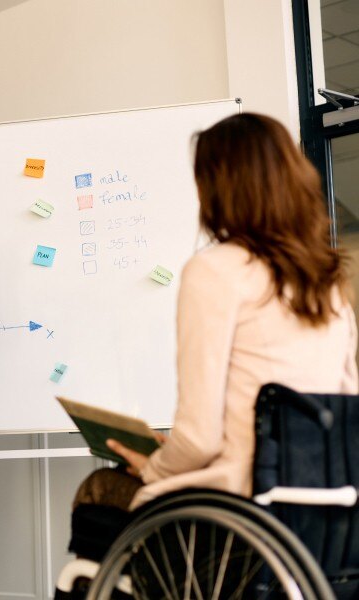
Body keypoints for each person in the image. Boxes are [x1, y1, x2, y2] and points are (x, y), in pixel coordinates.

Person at [70, 113, 359, 554]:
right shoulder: (328, 281)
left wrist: (154, 465)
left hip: (242, 509)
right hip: (325, 512)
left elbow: (199, 440)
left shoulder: (215, 270)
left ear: (219, 187)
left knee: (100, 488)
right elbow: (345, 408)